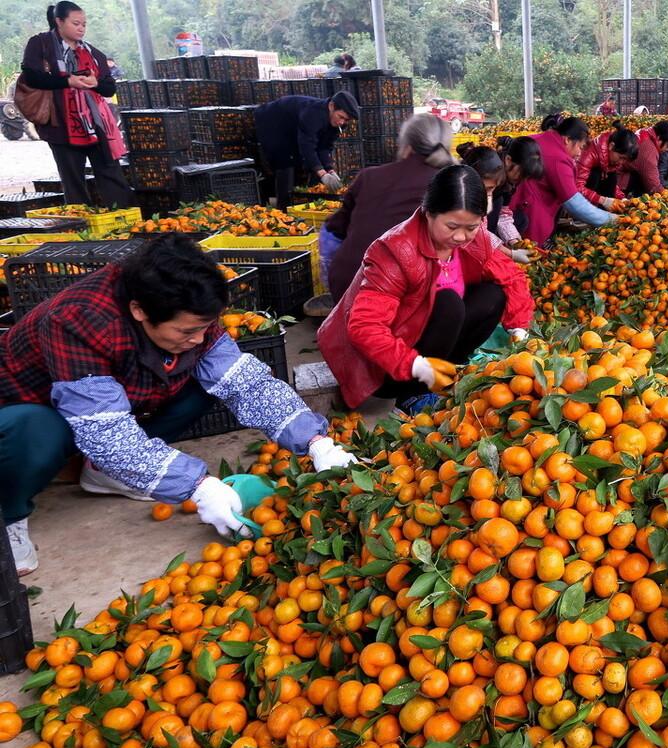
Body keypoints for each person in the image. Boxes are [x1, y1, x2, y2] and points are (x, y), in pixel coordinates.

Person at [0, 235, 356, 575]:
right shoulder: (77, 320)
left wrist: (315, 441)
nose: (199, 338)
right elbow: (105, 432)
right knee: (36, 430)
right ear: (139, 311)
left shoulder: (187, 309)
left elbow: (245, 383)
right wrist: (197, 485)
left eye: (204, 328)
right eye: (187, 332)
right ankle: (9, 515)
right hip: (31, 407)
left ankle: (104, 473)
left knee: (209, 383)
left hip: (117, 398)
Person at [317, 166, 535, 415]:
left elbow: (511, 275)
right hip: (383, 367)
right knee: (449, 304)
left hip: (428, 345)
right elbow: (364, 326)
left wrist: (519, 329)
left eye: (471, 227)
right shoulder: (395, 252)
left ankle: (446, 370)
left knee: (493, 295)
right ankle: (413, 394)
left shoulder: (476, 240)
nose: (461, 236)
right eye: (452, 226)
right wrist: (415, 365)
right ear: (428, 213)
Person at [324, 114, 454, 304]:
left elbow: (334, 228)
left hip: (345, 282)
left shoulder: (369, 176)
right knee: (462, 300)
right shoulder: (449, 183)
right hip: (394, 291)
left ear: (406, 144)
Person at [21, 2, 132, 207]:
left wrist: (95, 83)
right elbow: (32, 77)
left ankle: (122, 218)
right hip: (61, 125)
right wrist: (67, 81)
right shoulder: (41, 44)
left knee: (111, 175)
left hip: (96, 124)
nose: (81, 28)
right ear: (59, 22)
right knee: (73, 182)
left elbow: (109, 89)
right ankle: (80, 229)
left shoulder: (93, 53)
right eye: (75, 23)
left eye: (84, 24)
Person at [510, 114, 615, 246]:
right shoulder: (558, 158)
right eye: (580, 147)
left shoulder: (543, 139)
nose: (579, 154)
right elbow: (575, 204)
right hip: (527, 215)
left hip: (514, 210)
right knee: (525, 253)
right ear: (567, 140)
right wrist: (611, 219)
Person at [254, 90, 359, 211]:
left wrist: (330, 169)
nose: (342, 122)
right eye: (340, 117)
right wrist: (322, 173)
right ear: (331, 106)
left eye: (346, 120)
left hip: (295, 126)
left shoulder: (339, 123)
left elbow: (324, 147)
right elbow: (307, 146)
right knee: (286, 161)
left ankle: (308, 203)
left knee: (307, 163)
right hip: (273, 121)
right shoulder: (313, 114)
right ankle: (284, 209)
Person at [461, 145, 535, 264]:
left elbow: (483, 231)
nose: (489, 195)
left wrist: (514, 242)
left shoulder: (498, 192)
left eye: (493, 190)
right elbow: (479, 235)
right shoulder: (462, 204)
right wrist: (510, 253)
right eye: (488, 189)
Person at [490, 136, 544, 251]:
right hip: (468, 226)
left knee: (521, 219)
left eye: (526, 176)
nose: (522, 180)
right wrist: (505, 252)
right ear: (508, 160)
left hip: (483, 226)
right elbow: (476, 225)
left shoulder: (509, 182)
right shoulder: (488, 175)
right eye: (522, 173)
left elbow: (503, 215)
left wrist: (515, 242)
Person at [575, 124, 639, 212]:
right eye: (621, 157)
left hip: (595, 195)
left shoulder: (612, 159)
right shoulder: (588, 155)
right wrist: (602, 200)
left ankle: (602, 212)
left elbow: (612, 184)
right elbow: (576, 187)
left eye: (625, 160)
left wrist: (622, 198)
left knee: (611, 176)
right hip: (578, 199)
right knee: (595, 175)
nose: (621, 162)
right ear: (611, 146)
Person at [626, 121, 668, 197]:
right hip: (621, 182)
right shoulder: (649, 151)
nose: (667, 149)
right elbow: (653, 185)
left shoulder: (646, 132)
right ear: (659, 138)